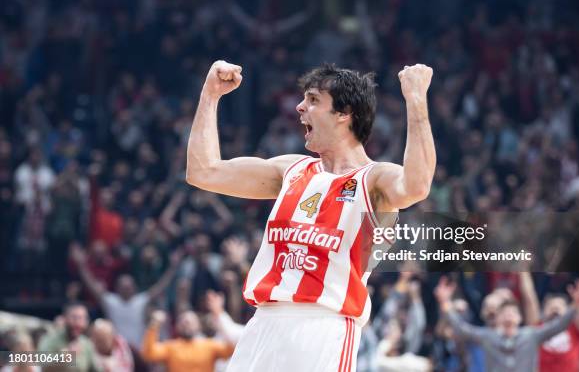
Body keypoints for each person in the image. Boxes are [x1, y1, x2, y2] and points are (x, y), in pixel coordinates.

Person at [186, 60, 436, 372]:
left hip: (324, 326)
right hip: (263, 323)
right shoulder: (290, 170)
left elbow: (417, 185)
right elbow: (203, 172)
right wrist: (210, 96)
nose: (299, 107)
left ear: (345, 114)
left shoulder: (375, 180)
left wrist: (415, 100)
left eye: (314, 99)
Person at [434, 277, 579, 372]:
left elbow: (559, 326)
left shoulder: (531, 335)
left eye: (512, 312)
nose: (509, 316)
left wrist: (576, 305)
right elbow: (461, 329)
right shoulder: (487, 336)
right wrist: (445, 303)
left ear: (519, 318)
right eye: (504, 313)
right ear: (498, 319)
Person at [70, 244, 182, 347]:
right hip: (118, 350)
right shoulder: (111, 301)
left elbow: (160, 286)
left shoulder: (140, 300)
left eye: (129, 287)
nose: (126, 289)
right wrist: (81, 266)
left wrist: (173, 267)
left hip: (139, 349)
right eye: (123, 287)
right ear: (117, 288)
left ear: (134, 288)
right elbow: (92, 285)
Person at [141, 309, 234, 372]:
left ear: (198, 325)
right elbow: (149, 354)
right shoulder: (170, 347)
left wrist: (220, 319)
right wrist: (154, 324)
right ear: (177, 327)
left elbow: (231, 350)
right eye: (183, 322)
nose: (187, 325)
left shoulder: (209, 345)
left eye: (190, 322)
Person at [37, 302, 101, 372]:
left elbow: (95, 369)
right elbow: (41, 364)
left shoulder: (87, 344)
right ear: (65, 319)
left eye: (81, 318)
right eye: (74, 318)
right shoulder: (50, 340)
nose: (78, 323)